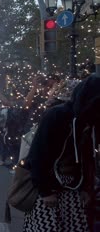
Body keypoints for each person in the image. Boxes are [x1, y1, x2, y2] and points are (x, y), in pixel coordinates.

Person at [23, 75, 100, 232]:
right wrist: (45, 191)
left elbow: (87, 157)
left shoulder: (89, 121)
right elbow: (37, 155)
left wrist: (85, 187)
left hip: (73, 189)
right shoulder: (56, 115)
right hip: (49, 190)